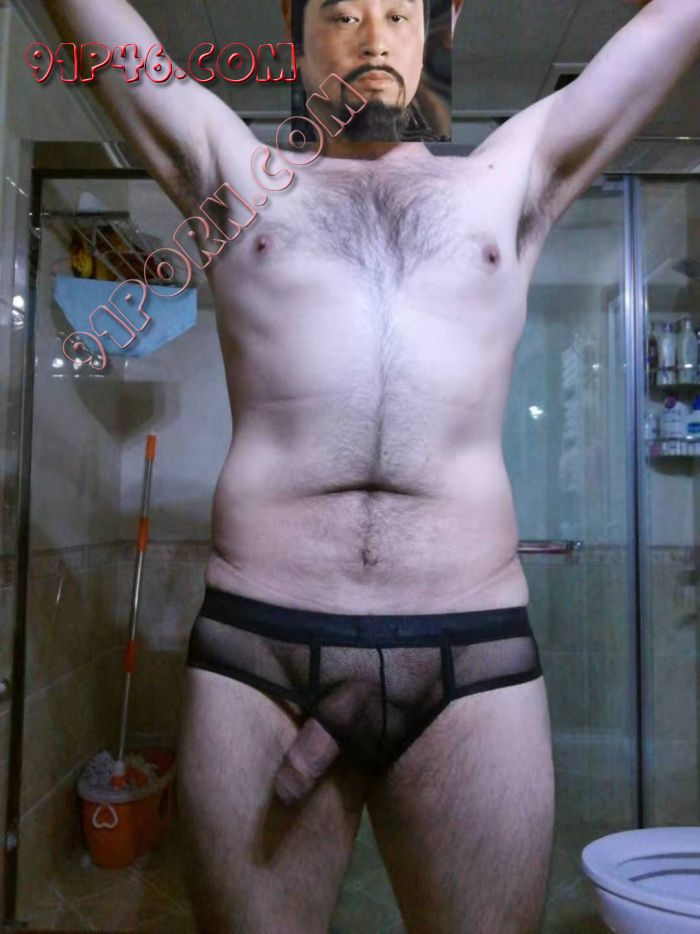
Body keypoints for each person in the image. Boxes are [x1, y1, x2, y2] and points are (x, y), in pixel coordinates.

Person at [42, 0, 700, 930]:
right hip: (260, 650)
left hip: (471, 651)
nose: (374, 36)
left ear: (442, 25)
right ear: (294, 26)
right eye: (344, 12)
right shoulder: (235, 174)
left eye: (399, 12)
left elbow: (674, 24)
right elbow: (102, 27)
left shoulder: (508, 176)